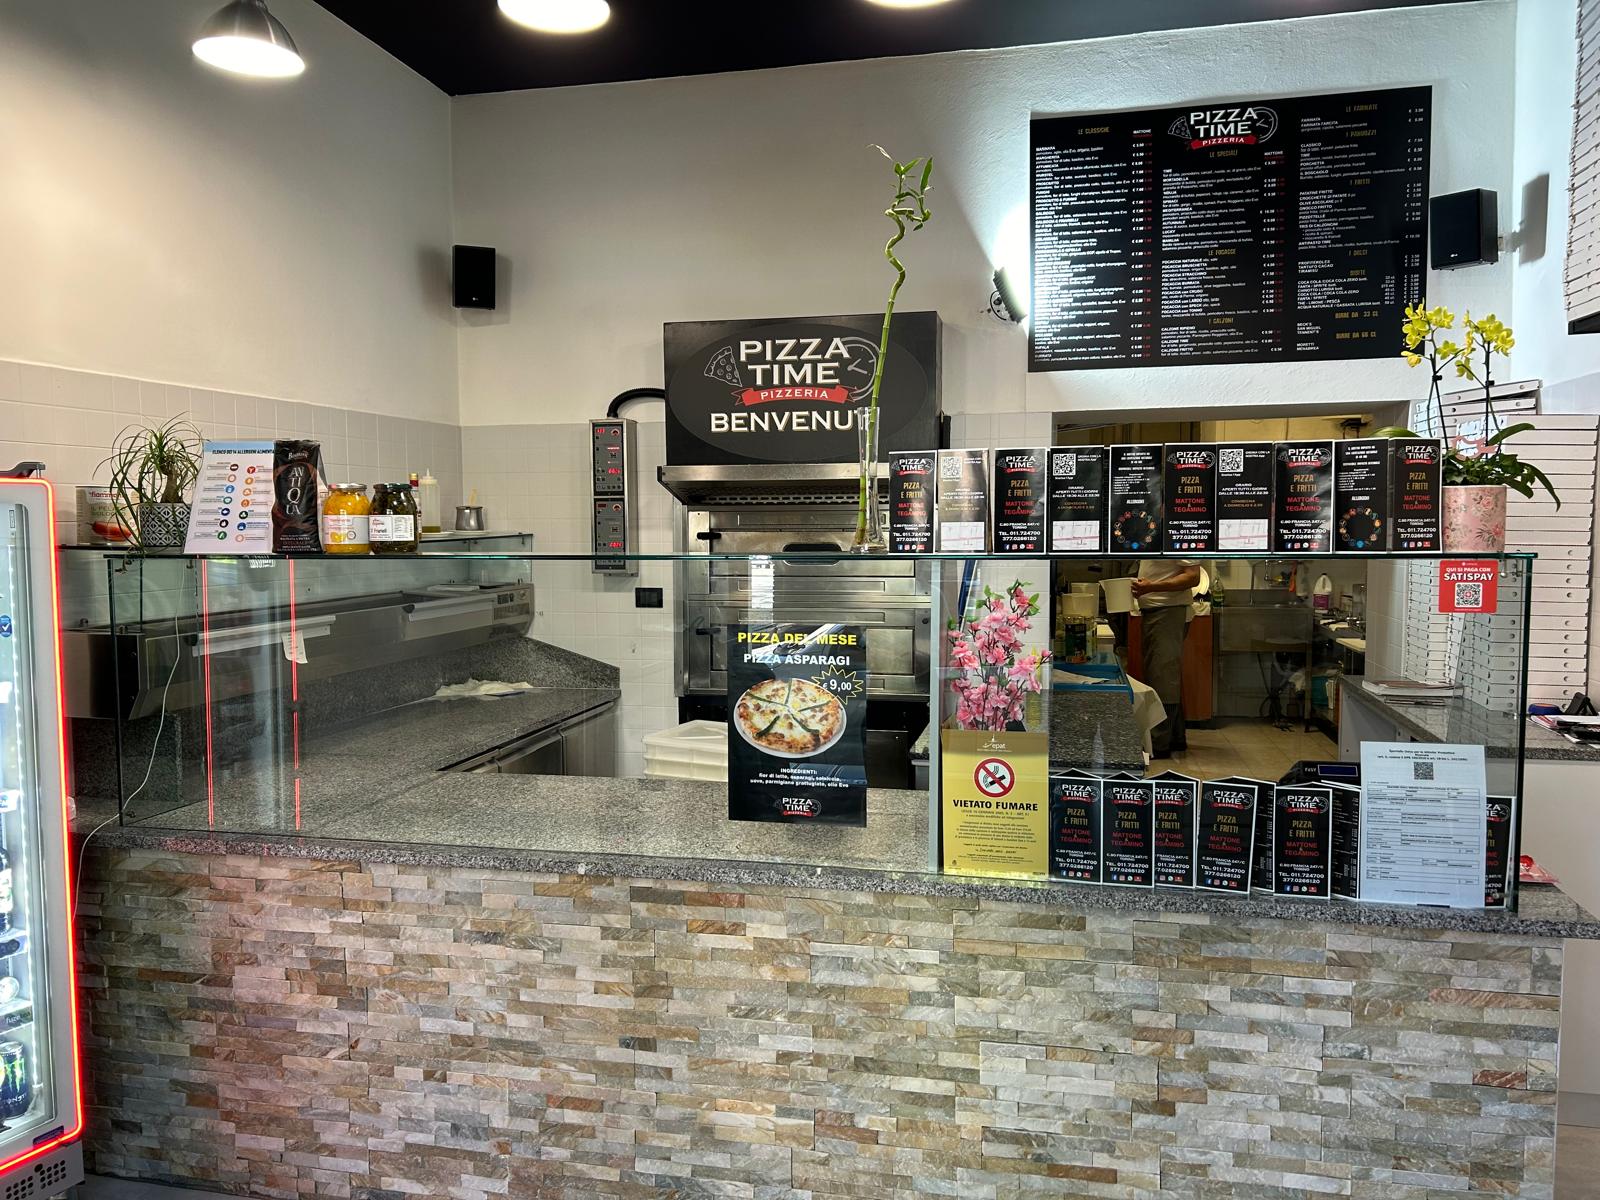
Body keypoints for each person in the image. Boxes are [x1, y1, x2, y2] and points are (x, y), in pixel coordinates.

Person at [1131, 560, 1200, 758]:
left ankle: (1159, 742)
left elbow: (1192, 577)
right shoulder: (1160, 543)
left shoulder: (1178, 542)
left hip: (1168, 610)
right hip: (1158, 610)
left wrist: (1151, 587)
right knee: (1163, 674)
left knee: (1163, 677)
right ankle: (1175, 738)